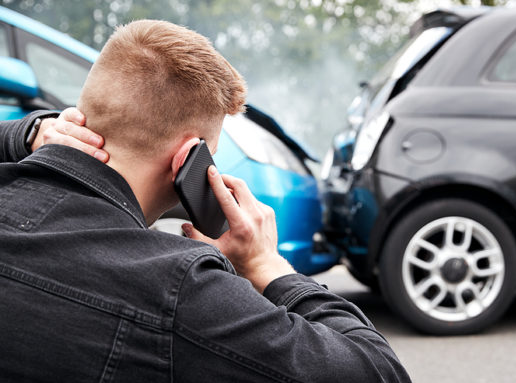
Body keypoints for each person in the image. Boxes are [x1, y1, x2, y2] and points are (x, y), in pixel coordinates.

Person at [0, 20, 411, 382]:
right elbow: (377, 372)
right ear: (188, 161)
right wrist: (267, 265)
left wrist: (23, 135)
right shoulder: (176, 286)